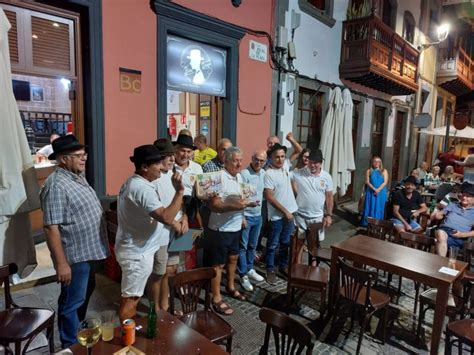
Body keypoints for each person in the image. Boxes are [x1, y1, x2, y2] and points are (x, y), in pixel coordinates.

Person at [40, 135, 109, 348]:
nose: (84, 158)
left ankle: (77, 332)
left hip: (88, 251)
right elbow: (51, 228)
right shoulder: (57, 184)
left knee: (82, 295)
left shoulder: (75, 176)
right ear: (62, 159)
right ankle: (70, 346)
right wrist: (61, 264)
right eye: (78, 155)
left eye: (84, 154)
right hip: (75, 256)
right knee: (72, 301)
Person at [115, 145, 184, 321]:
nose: (162, 167)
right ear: (145, 167)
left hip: (136, 249)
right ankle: (127, 341)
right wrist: (180, 191)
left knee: (133, 296)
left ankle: (129, 334)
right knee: (131, 300)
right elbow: (167, 218)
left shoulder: (134, 182)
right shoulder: (142, 189)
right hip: (136, 254)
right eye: (158, 163)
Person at [206, 147, 258, 315]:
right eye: (236, 160)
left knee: (233, 258)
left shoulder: (240, 176)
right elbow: (213, 205)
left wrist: (242, 213)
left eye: (240, 160)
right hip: (220, 228)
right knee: (218, 264)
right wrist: (235, 206)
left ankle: (230, 286)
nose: (239, 163)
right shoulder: (218, 177)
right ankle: (216, 298)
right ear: (226, 161)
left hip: (236, 226)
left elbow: (241, 200)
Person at [152, 138, 189, 312]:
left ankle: (166, 306)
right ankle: (157, 310)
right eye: (168, 156)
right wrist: (173, 222)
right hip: (160, 233)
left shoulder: (175, 173)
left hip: (177, 229)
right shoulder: (154, 177)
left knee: (171, 269)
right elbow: (156, 208)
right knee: (158, 273)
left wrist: (185, 218)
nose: (172, 159)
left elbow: (181, 200)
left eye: (172, 155)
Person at [291, 149, 334, 264]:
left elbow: (329, 197)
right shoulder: (298, 173)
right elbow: (284, 173)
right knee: (298, 246)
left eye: (316, 162)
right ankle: (297, 269)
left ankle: (313, 271)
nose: (313, 165)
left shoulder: (327, 177)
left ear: (321, 163)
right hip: (300, 217)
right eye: (311, 162)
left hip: (317, 218)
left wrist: (329, 215)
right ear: (307, 161)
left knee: (314, 247)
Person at [264, 143, 298, 284]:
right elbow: (269, 197)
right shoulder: (269, 173)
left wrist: (291, 139)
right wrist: (285, 211)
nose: (280, 159)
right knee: (273, 244)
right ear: (271, 158)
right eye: (276, 157)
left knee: (285, 243)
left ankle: (283, 266)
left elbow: (299, 150)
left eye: (282, 156)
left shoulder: (285, 166)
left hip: (290, 214)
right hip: (277, 216)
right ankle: (270, 269)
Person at [238, 150, 267, 291]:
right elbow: (240, 197)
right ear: (252, 158)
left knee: (253, 245)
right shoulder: (244, 174)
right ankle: (242, 274)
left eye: (262, 161)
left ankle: (250, 268)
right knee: (243, 246)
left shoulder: (263, 174)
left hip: (258, 215)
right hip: (247, 216)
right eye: (257, 159)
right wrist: (241, 216)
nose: (259, 163)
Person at [432, 182, 474, 256]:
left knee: (439, 241)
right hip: (445, 230)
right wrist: (438, 214)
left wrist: (462, 235)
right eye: (463, 195)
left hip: (461, 236)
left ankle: (440, 263)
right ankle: (442, 263)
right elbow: (440, 214)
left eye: (468, 196)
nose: (464, 198)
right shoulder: (453, 205)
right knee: (441, 234)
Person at [360, 156, 389, 227]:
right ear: (372, 162)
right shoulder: (369, 171)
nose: (376, 163)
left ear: (380, 163)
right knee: (370, 206)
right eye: (375, 161)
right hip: (371, 191)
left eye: (378, 161)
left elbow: (385, 182)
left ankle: (378, 222)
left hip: (381, 192)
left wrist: (378, 189)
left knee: (379, 207)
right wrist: (374, 189)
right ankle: (368, 222)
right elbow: (367, 182)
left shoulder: (384, 171)